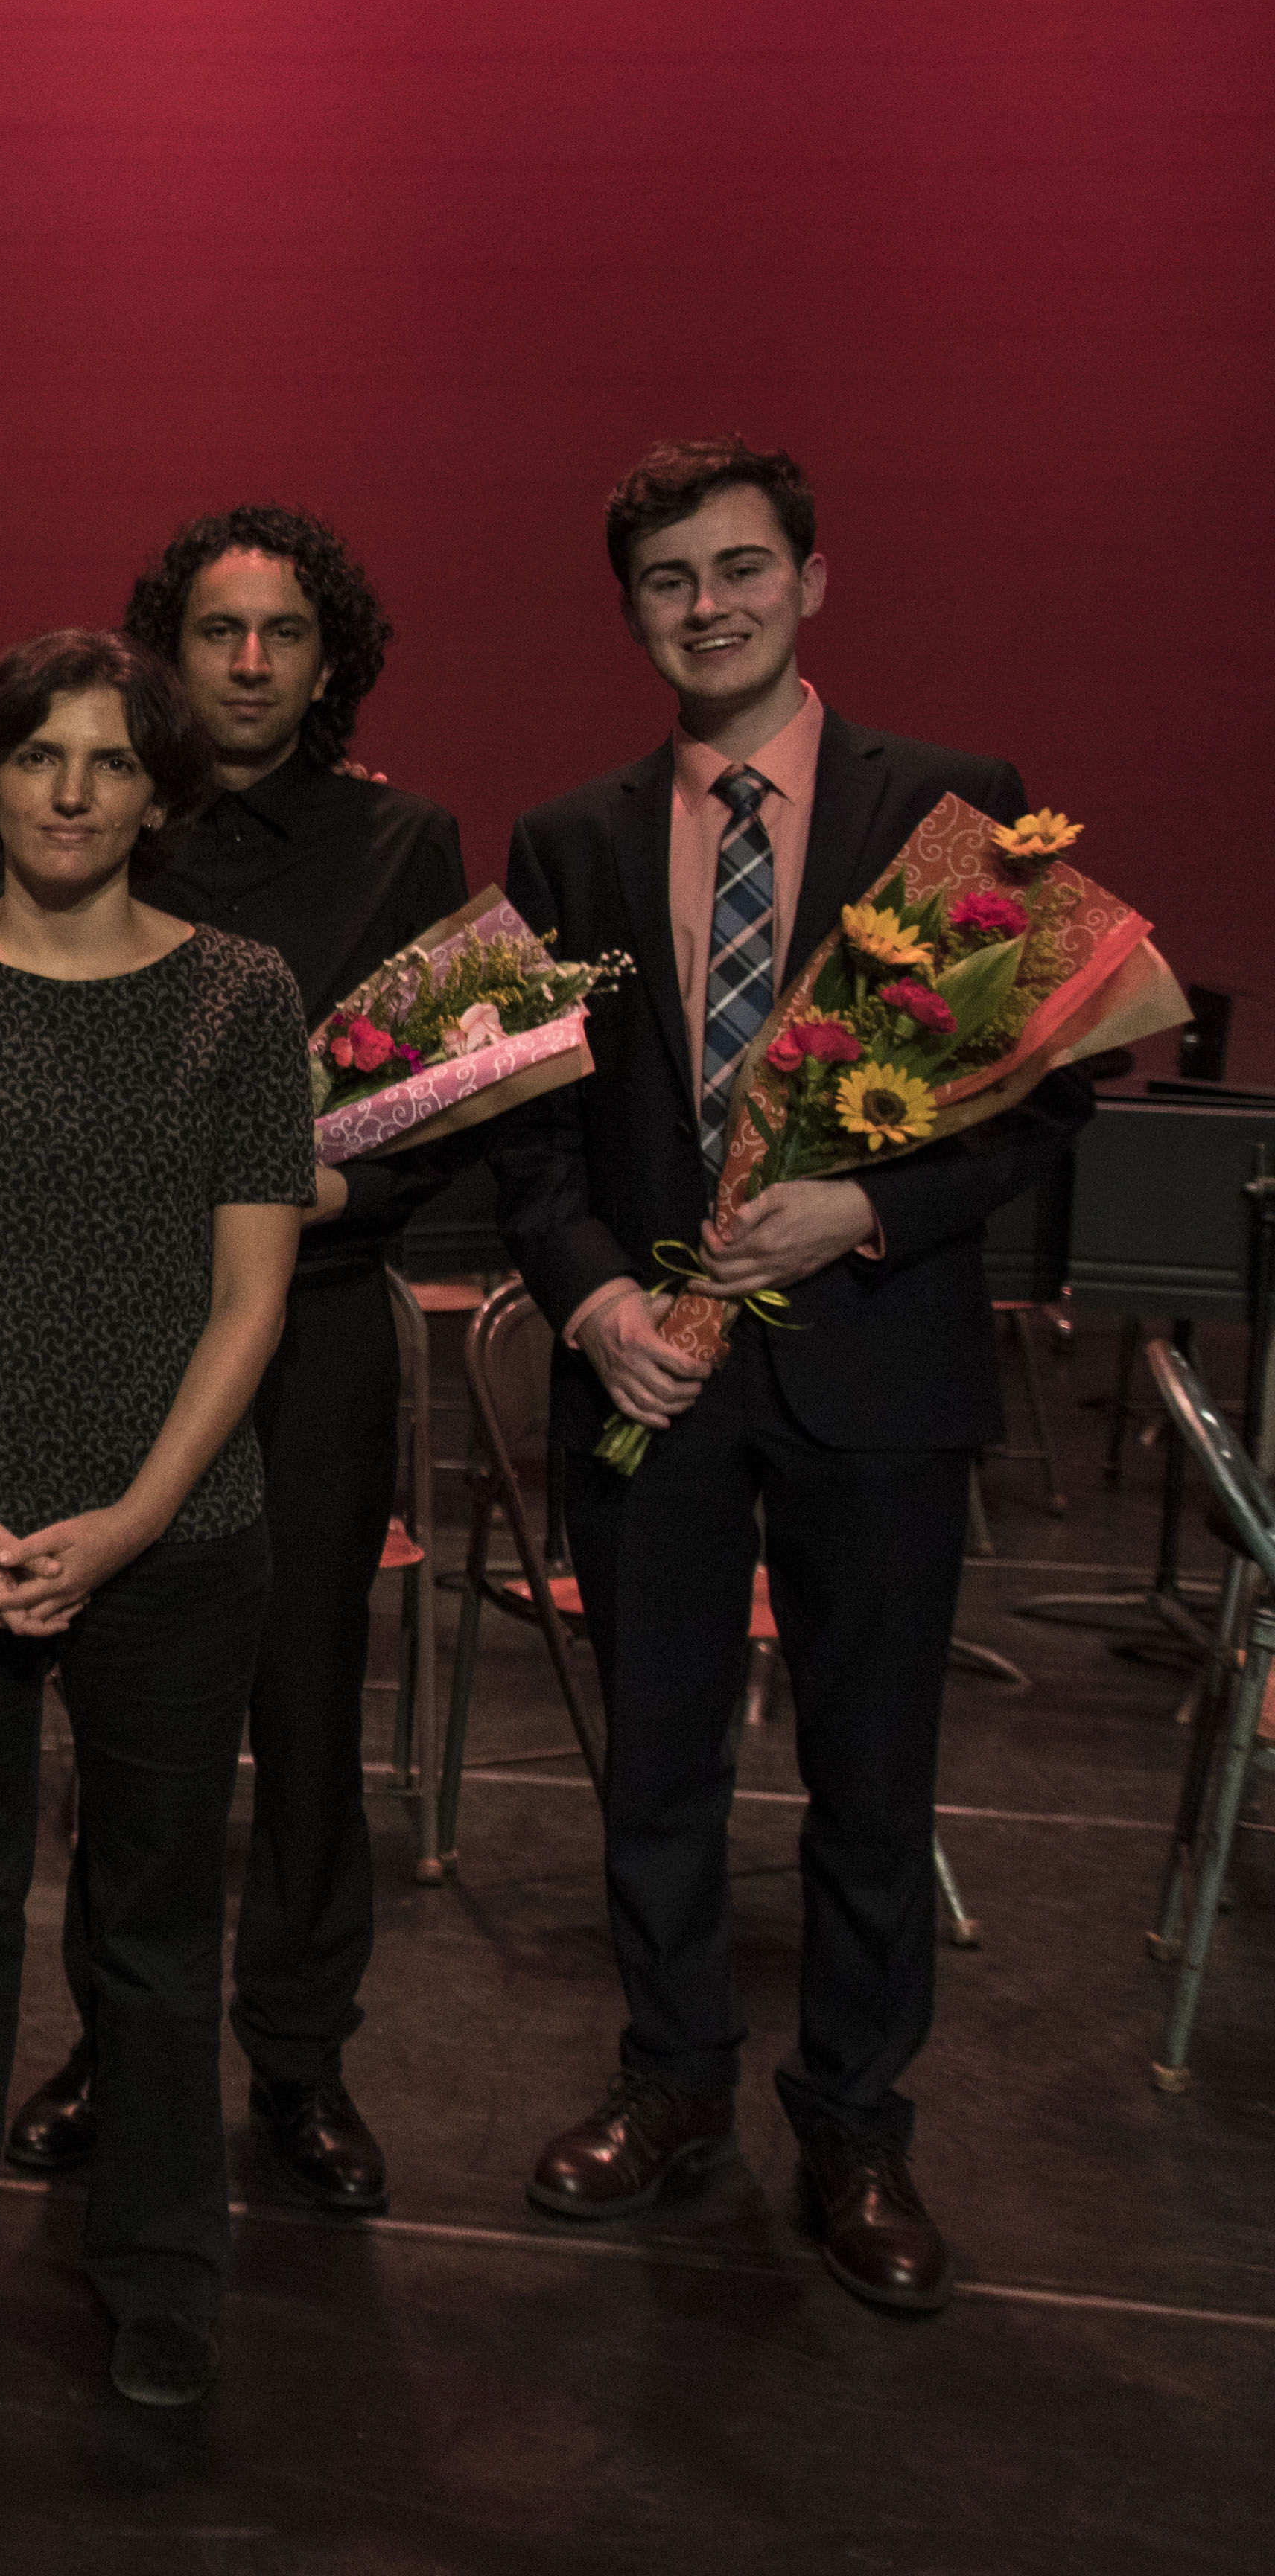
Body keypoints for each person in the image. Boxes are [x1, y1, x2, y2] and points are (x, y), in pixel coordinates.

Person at [497, 439, 1089, 2315]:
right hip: (650, 1384)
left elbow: (1042, 1101)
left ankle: (856, 2123)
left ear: (811, 582)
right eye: (670, 578)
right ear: (632, 609)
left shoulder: (959, 810)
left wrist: (870, 1209)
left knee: (874, 1775)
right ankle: (671, 2081)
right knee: (656, 1764)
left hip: (878, 1374)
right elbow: (534, 1137)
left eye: (742, 567)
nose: (711, 605)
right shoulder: (569, 840)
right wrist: (594, 1298)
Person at [0, 627, 312, 2411]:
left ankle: (161, 2260)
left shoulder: (242, 993)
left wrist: (126, 1520)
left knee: (155, 1913)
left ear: (159, 793)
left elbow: (252, 1296)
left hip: (172, 1534)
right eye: (40, 755)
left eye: (111, 759)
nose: (75, 790)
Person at [0, 510, 465, 2214]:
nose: (250, 661)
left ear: (331, 661)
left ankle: (300, 2053)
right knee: (126, 1713)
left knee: (307, 1706)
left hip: (317, 1324)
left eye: (283, 632)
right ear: (169, 650)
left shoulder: (403, 839)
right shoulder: (112, 819)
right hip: (120, 1322)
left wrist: (326, 1187)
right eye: (217, 629)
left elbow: (445, 1107)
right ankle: (114, 2037)